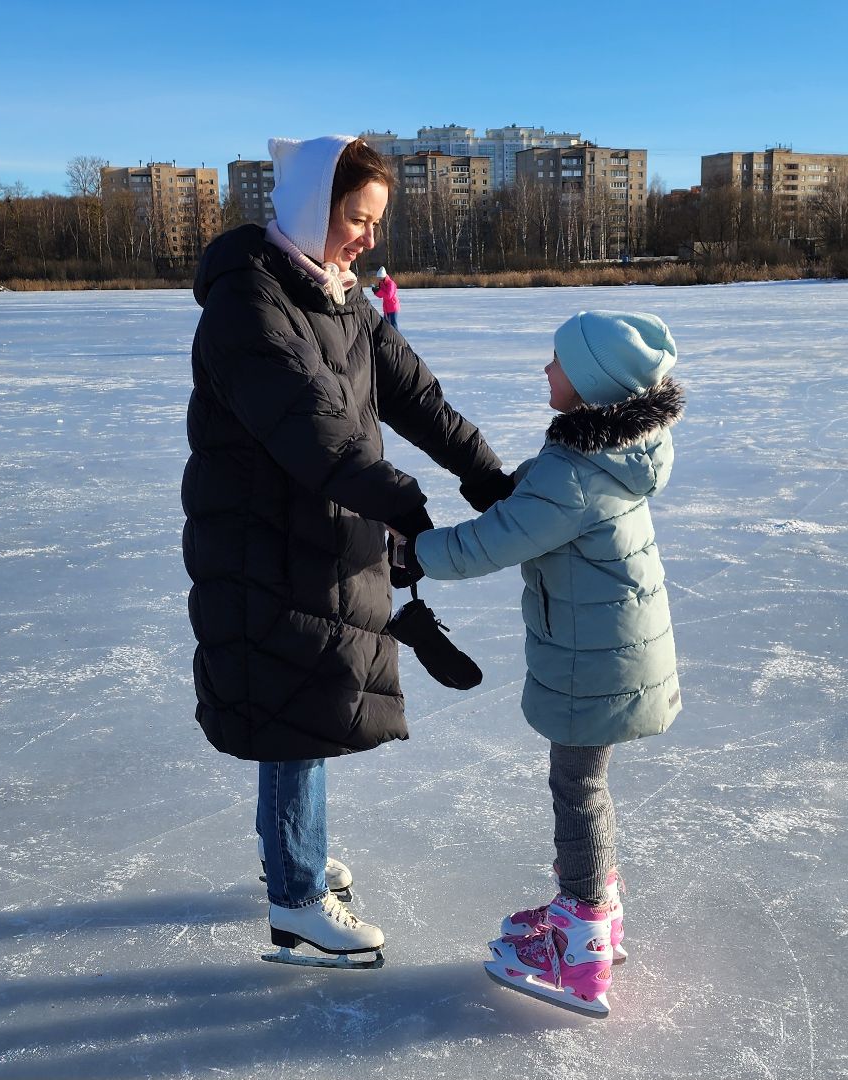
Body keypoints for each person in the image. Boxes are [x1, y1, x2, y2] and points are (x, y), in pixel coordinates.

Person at [183, 135, 516, 969]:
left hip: (324, 533)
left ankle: (287, 851)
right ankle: (295, 899)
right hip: (264, 539)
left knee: (310, 694)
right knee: (297, 702)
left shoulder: (338, 297)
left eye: (375, 222)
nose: (368, 238)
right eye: (355, 218)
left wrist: (491, 483)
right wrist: (410, 508)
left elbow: (418, 398)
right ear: (309, 209)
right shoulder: (250, 301)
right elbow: (315, 430)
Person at [407, 310, 683, 1015]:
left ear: (589, 384)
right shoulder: (608, 455)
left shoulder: (576, 473)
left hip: (595, 659)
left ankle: (581, 941)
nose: (544, 370)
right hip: (613, 647)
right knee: (584, 785)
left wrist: (410, 554)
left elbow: (492, 543)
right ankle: (594, 909)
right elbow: (531, 499)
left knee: (577, 789)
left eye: (557, 362)